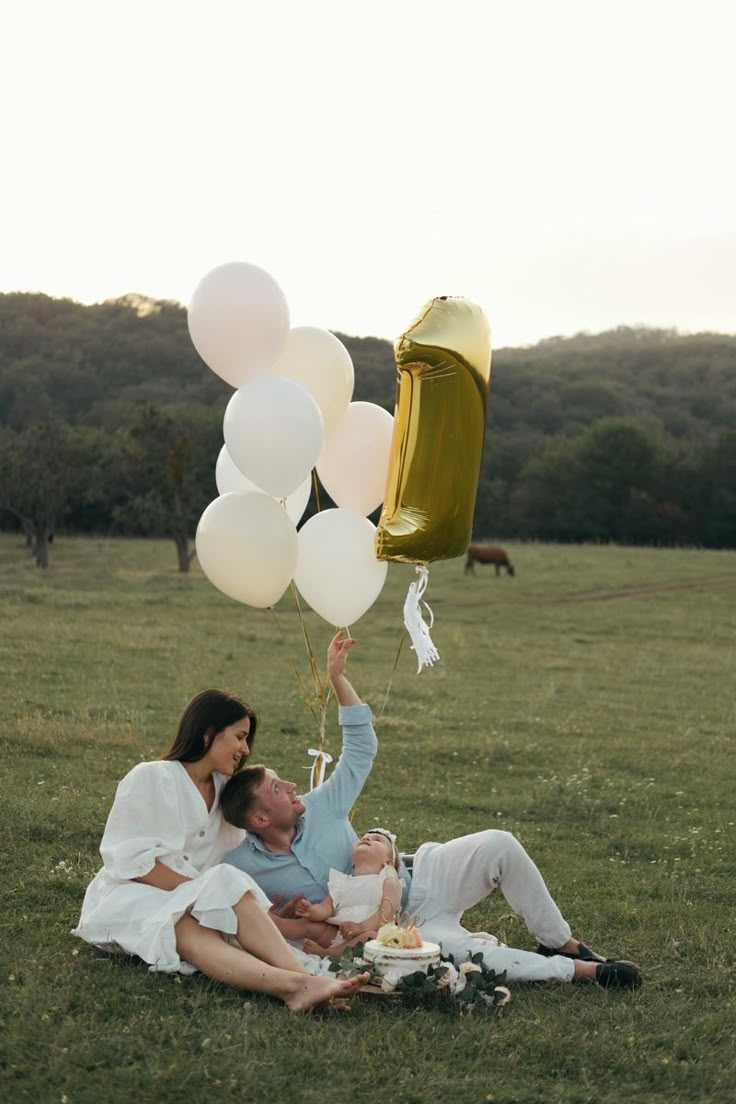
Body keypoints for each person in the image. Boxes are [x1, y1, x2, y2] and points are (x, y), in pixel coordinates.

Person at [222, 633, 641, 989]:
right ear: (259, 819)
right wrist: (278, 920)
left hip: (419, 876)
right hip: (391, 931)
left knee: (500, 844)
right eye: (278, 788)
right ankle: (577, 971)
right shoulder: (241, 865)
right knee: (461, 952)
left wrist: (338, 678)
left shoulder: (321, 807)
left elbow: (361, 749)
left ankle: (559, 941)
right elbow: (232, 911)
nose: (293, 786)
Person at [72, 686, 368, 1012]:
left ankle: (303, 985)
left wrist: (256, 910)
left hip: (195, 900)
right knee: (195, 915)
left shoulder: (227, 794)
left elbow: (264, 830)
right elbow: (133, 861)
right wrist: (202, 894)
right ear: (209, 733)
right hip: (133, 895)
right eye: (239, 737)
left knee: (207, 913)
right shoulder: (152, 777)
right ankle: (300, 983)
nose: (244, 749)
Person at [266, 828, 403, 956]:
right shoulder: (342, 882)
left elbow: (386, 914)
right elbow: (326, 908)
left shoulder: (388, 881)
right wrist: (312, 911)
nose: (367, 838)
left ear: (389, 862)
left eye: (377, 840)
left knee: (371, 938)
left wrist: (361, 927)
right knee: (308, 925)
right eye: (364, 837)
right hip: (337, 933)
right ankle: (271, 922)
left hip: (369, 934)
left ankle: (329, 953)